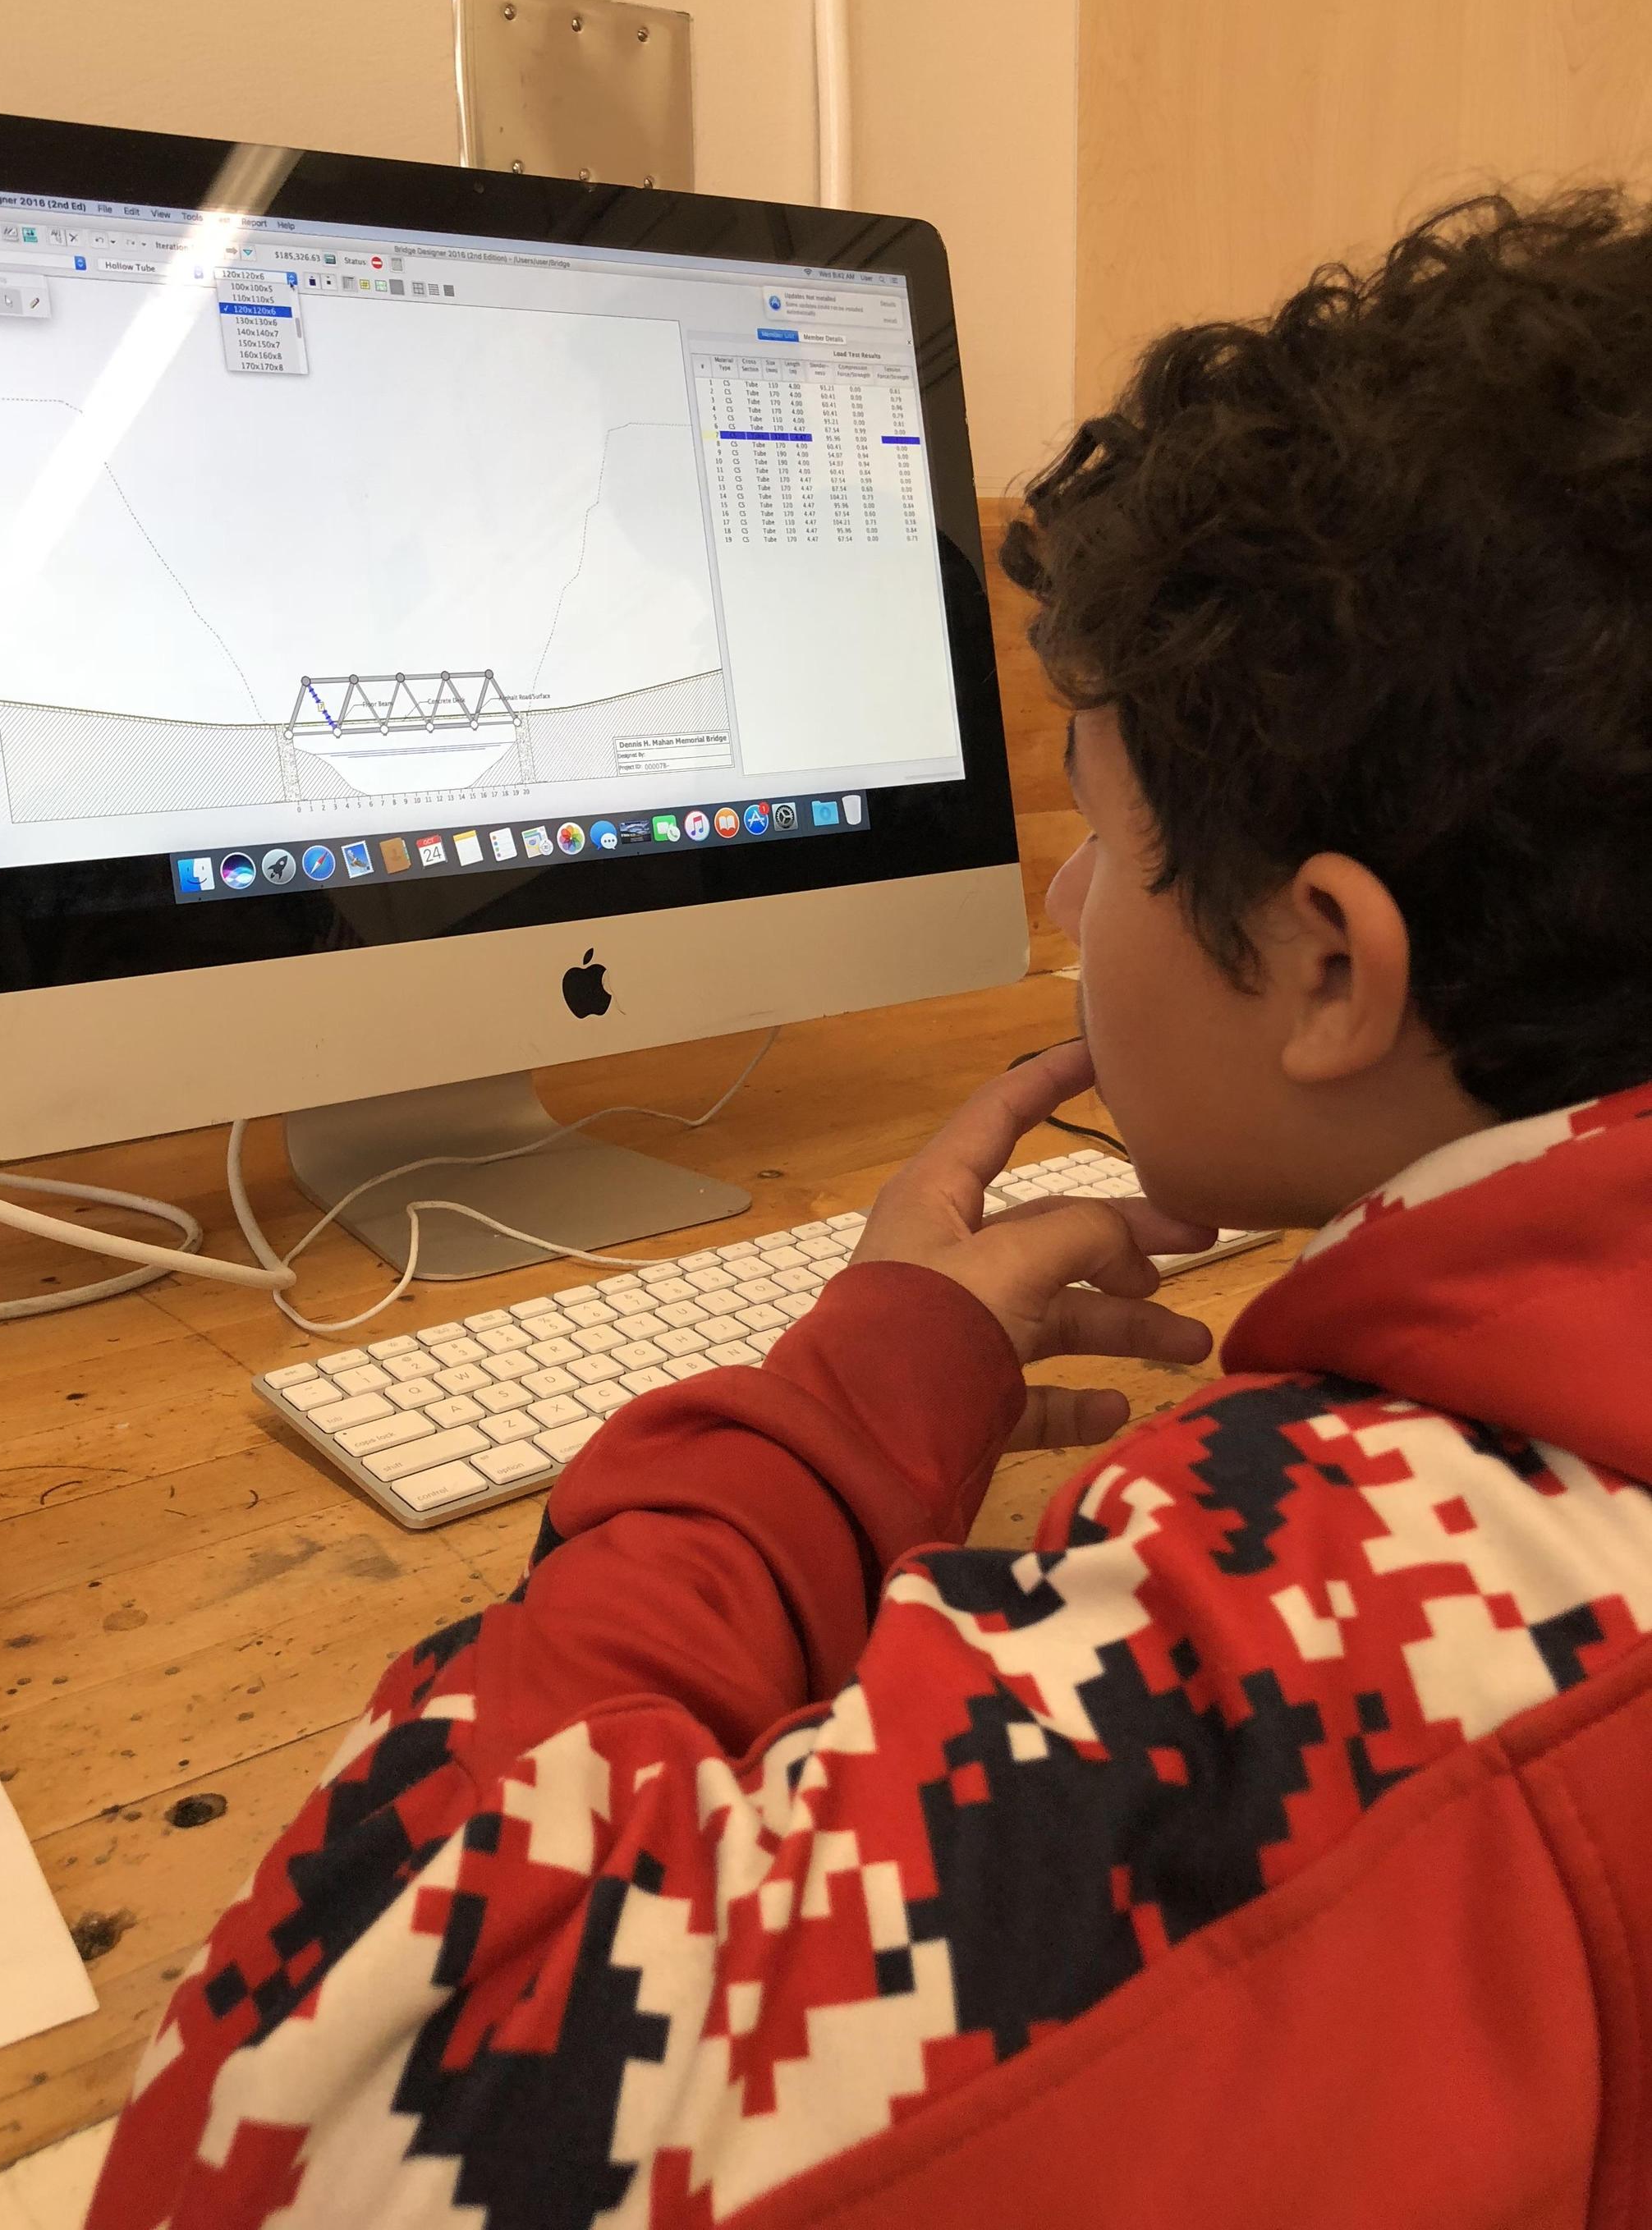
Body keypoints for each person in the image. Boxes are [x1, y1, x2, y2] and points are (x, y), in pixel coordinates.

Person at [87, 192, 1652, 2230]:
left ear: (1332, 965)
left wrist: (831, 1430)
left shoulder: (1390, 1636)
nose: (1061, 900)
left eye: (1096, 827)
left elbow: (282, 2141)